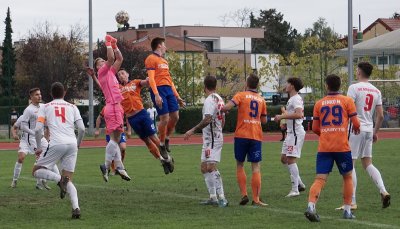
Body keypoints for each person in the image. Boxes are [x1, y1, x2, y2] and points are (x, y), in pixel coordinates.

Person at [304, 74, 360, 222]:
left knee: (320, 178)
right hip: (342, 146)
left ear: (326, 86)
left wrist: (326, 134)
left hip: (324, 147)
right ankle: (347, 211)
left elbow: (315, 128)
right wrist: (355, 128)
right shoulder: (347, 101)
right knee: (347, 176)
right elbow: (356, 123)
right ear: (340, 85)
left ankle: (311, 206)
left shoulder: (319, 103)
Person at [336, 62, 390, 210]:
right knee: (368, 163)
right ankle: (383, 190)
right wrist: (375, 132)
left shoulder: (353, 88)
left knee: (350, 164)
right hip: (368, 129)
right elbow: (380, 115)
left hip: (355, 129)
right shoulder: (376, 91)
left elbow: (347, 109)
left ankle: (352, 201)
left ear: (359, 71)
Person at [32, 82, 85, 219]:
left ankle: (59, 180)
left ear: (51, 93)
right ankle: (76, 208)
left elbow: (38, 129)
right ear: (65, 93)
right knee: (69, 180)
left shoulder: (45, 107)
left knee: (36, 171)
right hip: (72, 144)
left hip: (56, 143)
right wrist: (78, 144)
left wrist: (38, 147)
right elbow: (82, 129)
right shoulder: (72, 107)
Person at [86, 34, 131, 182]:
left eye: (103, 62)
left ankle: (119, 167)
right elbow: (111, 59)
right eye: (100, 62)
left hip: (114, 106)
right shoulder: (102, 71)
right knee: (116, 139)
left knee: (115, 139)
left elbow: (119, 59)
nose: (104, 62)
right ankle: (106, 165)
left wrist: (116, 45)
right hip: (113, 106)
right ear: (98, 67)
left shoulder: (110, 72)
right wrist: (108, 43)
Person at [221, 74, 268, 206]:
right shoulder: (261, 99)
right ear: (257, 85)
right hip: (256, 136)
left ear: (247, 83)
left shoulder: (240, 95)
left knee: (240, 164)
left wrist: (224, 109)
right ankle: (256, 199)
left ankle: (244, 194)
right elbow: (264, 121)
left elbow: (226, 107)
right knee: (256, 167)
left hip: (241, 135)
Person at [116, 68, 174, 174]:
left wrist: (149, 79)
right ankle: (162, 161)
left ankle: (167, 159)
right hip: (132, 118)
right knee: (147, 141)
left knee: (154, 137)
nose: (121, 75)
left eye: (123, 73)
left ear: (128, 74)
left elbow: (145, 82)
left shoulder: (135, 82)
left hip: (142, 114)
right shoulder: (118, 88)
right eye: (119, 75)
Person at [184, 75, 228, 207]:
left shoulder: (209, 100)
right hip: (210, 138)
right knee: (204, 167)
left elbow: (208, 119)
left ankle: (222, 198)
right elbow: (223, 118)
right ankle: (213, 197)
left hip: (213, 138)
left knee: (211, 167)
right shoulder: (219, 98)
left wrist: (192, 130)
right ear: (215, 86)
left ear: (204, 87)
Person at [11, 88, 58, 190]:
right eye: (37, 94)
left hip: (40, 138)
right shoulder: (28, 110)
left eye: (40, 94)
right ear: (31, 97)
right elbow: (20, 127)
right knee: (23, 158)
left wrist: (48, 134)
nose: (39, 96)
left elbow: (46, 123)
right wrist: (15, 134)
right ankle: (15, 180)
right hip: (29, 138)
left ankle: (47, 181)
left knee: (50, 155)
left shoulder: (43, 106)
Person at [145, 37, 185, 154]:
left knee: (175, 116)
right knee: (165, 118)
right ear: (159, 46)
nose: (165, 47)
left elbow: (170, 81)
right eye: (164, 45)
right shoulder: (151, 58)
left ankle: (167, 138)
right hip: (159, 90)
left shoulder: (164, 61)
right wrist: (156, 95)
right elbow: (151, 78)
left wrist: (177, 97)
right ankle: (161, 143)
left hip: (168, 90)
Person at [274, 77, 306, 197]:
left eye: (287, 83)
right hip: (291, 133)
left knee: (291, 160)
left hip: (296, 133)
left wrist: (282, 117)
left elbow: (299, 114)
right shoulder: (292, 99)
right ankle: (300, 184)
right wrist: (284, 116)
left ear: (292, 86)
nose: (286, 85)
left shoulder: (296, 99)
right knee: (284, 159)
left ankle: (295, 189)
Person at [95, 106, 127, 175]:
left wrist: (129, 129)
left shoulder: (121, 107)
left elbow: (127, 117)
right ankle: (113, 169)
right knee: (112, 151)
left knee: (123, 148)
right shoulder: (106, 108)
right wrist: (97, 130)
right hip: (110, 132)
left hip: (120, 131)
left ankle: (120, 167)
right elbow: (99, 118)